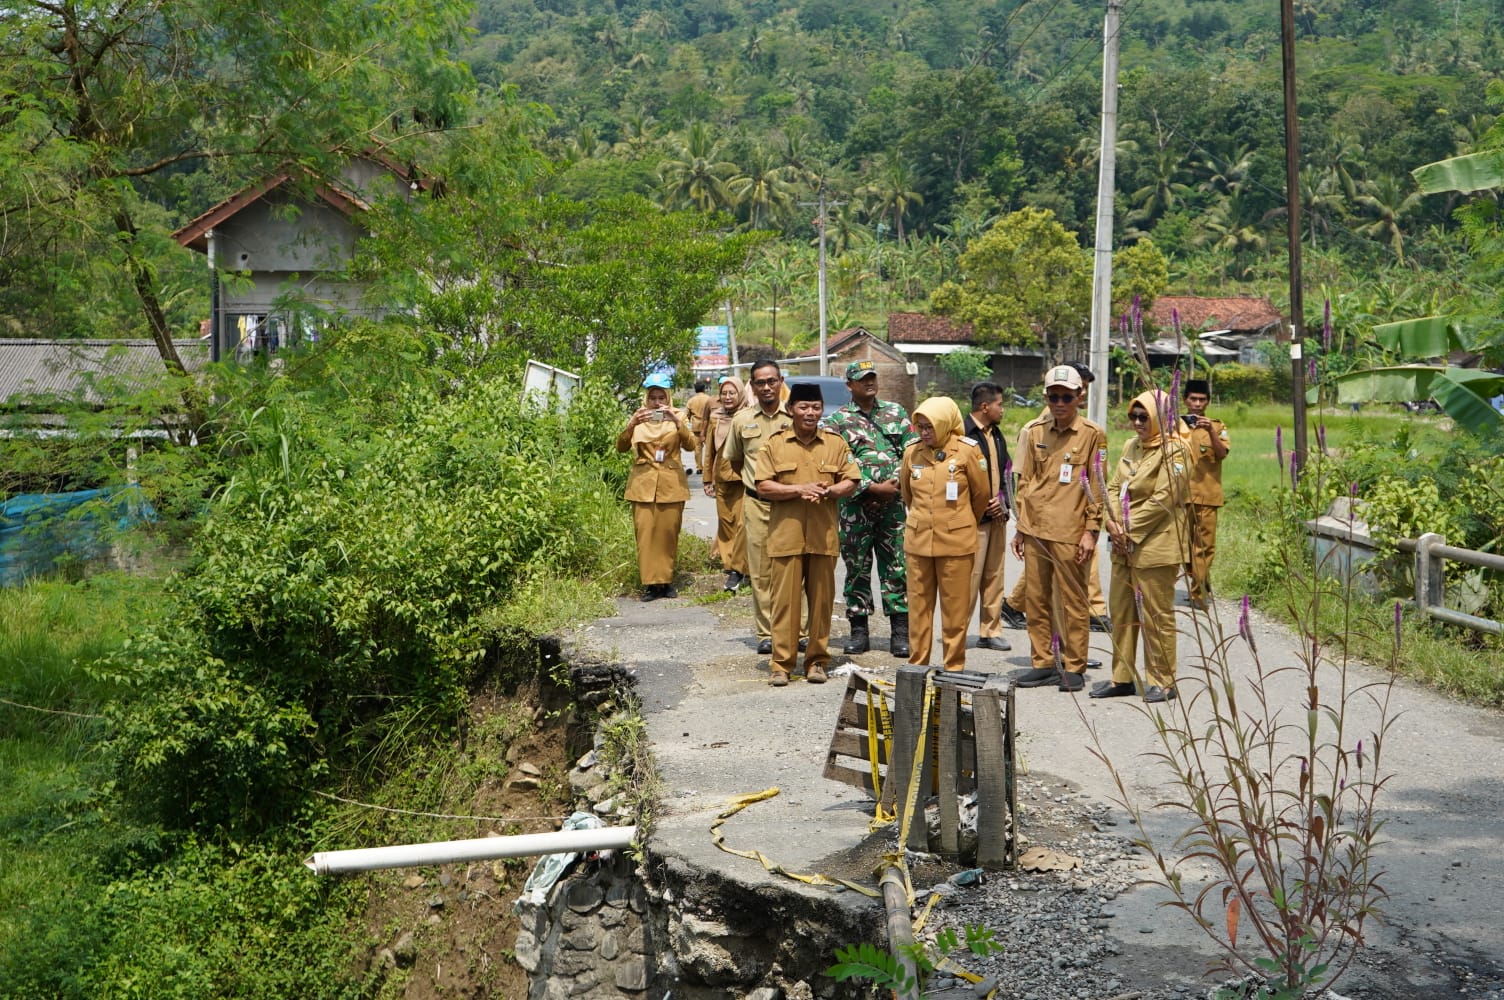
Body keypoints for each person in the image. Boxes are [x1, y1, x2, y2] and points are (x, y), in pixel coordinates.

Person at [753, 382, 860, 685]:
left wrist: (828, 490)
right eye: (803, 407)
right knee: (785, 603)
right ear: (791, 410)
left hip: (822, 536)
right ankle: (781, 665)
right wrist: (799, 489)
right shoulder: (775, 444)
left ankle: (816, 662)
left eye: (815, 407)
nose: (810, 412)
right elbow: (763, 486)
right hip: (785, 537)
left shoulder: (835, 443)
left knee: (822, 602)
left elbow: (851, 480)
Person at [1010, 365, 1107, 692]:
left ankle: (1074, 665)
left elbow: (1098, 486)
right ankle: (1043, 663)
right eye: (1054, 396)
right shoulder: (1036, 431)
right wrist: (1021, 528)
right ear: (1046, 397)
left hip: (1070, 531)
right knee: (1035, 601)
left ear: (1080, 396)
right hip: (1036, 530)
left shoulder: (1093, 434)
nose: (1060, 403)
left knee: (1073, 603)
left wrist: (1090, 531)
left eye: (1067, 396)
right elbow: (1026, 483)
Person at [1092, 389, 1191, 704]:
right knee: (1121, 613)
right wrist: (1112, 522)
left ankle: (1162, 679)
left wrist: (1127, 526)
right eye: (1133, 416)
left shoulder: (1176, 451)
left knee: (1156, 615)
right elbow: (1111, 485)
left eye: (1143, 416)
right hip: (1123, 543)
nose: (1136, 422)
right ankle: (1121, 676)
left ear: (1161, 418)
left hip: (1155, 544)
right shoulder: (1130, 446)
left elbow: (1164, 498)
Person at [825, 360, 916, 657]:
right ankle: (859, 630)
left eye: (872, 377)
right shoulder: (837, 421)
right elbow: (835, 464)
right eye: (862, 379)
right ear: (849, 385)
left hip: (894, 506)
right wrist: (869, 490)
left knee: (896, 567)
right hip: (855, 507)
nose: (869, 383)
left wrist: (893, 490)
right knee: (857, 568)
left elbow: (912, 456)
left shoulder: (896, 413)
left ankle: (900, 632)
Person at [901, 397, 991, 672]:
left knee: (954, 612)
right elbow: (907, 495)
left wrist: (957, 522)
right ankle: (917, 666)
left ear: (944, 425)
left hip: (956, 544)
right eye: (920, 426)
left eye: (930, 427)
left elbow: (981, 496)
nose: (924, 432)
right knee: (918, 610)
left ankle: (953, 668)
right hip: (918, 544)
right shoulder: (912, 452)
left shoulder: (967, 452)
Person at [724, 360, 797, 655]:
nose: (766, 387)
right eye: (759, 382)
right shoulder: (742, 421)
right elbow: (736, 460)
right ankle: (767, 633)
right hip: (756, 503)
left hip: (792, 506)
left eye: (771, 381)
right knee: (761, 570)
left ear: (780, 381)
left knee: (796, 568)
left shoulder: (795, 416)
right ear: (752, 387)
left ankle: (800, 631)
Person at [616, 373, 698, 601]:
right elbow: (621, 447)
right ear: (647, 398)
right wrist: (631, 424)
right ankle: (650, 584)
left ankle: (666, 581)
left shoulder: (679, 417)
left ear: (668, 397)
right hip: (642, 483)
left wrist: (676, 422)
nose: (657, 402)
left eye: (661, 397)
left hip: (671, 484)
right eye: (653, 397)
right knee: (645, 534)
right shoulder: (638, 419)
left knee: (667, 534)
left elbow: (691, 446)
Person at [963, 382, 1012, 652]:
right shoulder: (962, 433)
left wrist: (1002, 501)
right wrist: (982, 506)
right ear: (985, 407)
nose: (1002, 409)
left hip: (998, 517)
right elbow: (956, 479)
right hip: (974, 520)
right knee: (970, 577)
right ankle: (957, 630)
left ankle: (990, 630)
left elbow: (1006, 472)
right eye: (999, 404)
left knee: (995, 575)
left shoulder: (997, 434)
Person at [1181, 378, 1230, 608]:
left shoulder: (1218, 427)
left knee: (1204, 547)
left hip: (1207, 496)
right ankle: (1201, 583)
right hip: (1179, 497)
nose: (1197, 404)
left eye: (1202, 399)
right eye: (1193, 399)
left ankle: (1198, 595)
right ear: (1185, 400)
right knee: (1183, 548)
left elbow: (1221, 454)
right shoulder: (1175, 427)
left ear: (1208, 401)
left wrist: (1210, 430)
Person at [702, 375, 749, 592]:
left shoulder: (748, 416)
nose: (728, 397)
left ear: (740, 394)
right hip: (721, 477)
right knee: (726, 523)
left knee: (742, 524)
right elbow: (710, 450)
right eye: (724, 393)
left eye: (732, 393)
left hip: (743, 478)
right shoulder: (715, 417)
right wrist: (707, 479)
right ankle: (731, 567)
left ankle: (742, 568)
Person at [684, 379, 714, 475]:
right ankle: (709, 467)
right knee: (709, 448)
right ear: (704, 389)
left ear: (695, 389)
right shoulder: (709, 399)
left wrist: (688, 425)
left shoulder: (691, 401)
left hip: (696, 427)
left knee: (697, 448)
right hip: (708, 426)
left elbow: (686, 415)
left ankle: (699, 467)